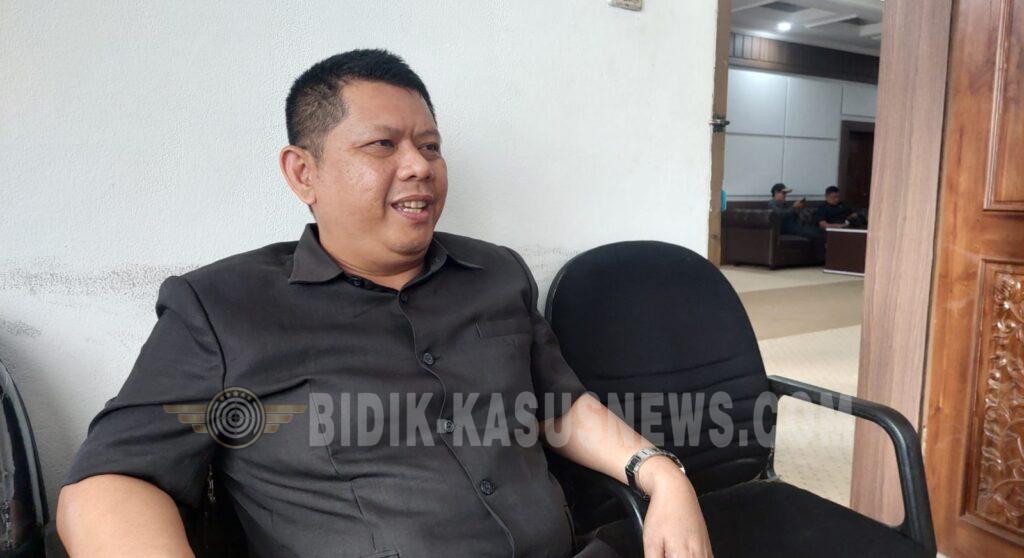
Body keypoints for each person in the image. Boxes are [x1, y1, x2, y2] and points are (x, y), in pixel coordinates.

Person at [56, 50, 713, 558]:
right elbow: (109, 484)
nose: (419, 165)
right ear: (303, 173)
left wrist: (662, 475)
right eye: (383, 145)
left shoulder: (496, 273)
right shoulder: (221, 307)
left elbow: (560, 405)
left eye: (430, 146)